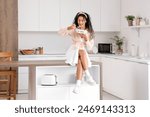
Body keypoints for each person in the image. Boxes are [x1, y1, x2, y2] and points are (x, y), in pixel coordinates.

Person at [58, 11, 96, 94]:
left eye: (82, 20)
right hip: (73, 51)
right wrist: (69, 27)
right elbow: (60, 33)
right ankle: (88, 75)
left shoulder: (89, 32)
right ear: (77, 21)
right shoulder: (74, 30)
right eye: (79, 20)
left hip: (82, 55)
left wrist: (86, 39)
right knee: (81, 51)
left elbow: (90, 48)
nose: (80, 22)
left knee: (80, 61)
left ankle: (77, 85)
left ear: (86, 21)